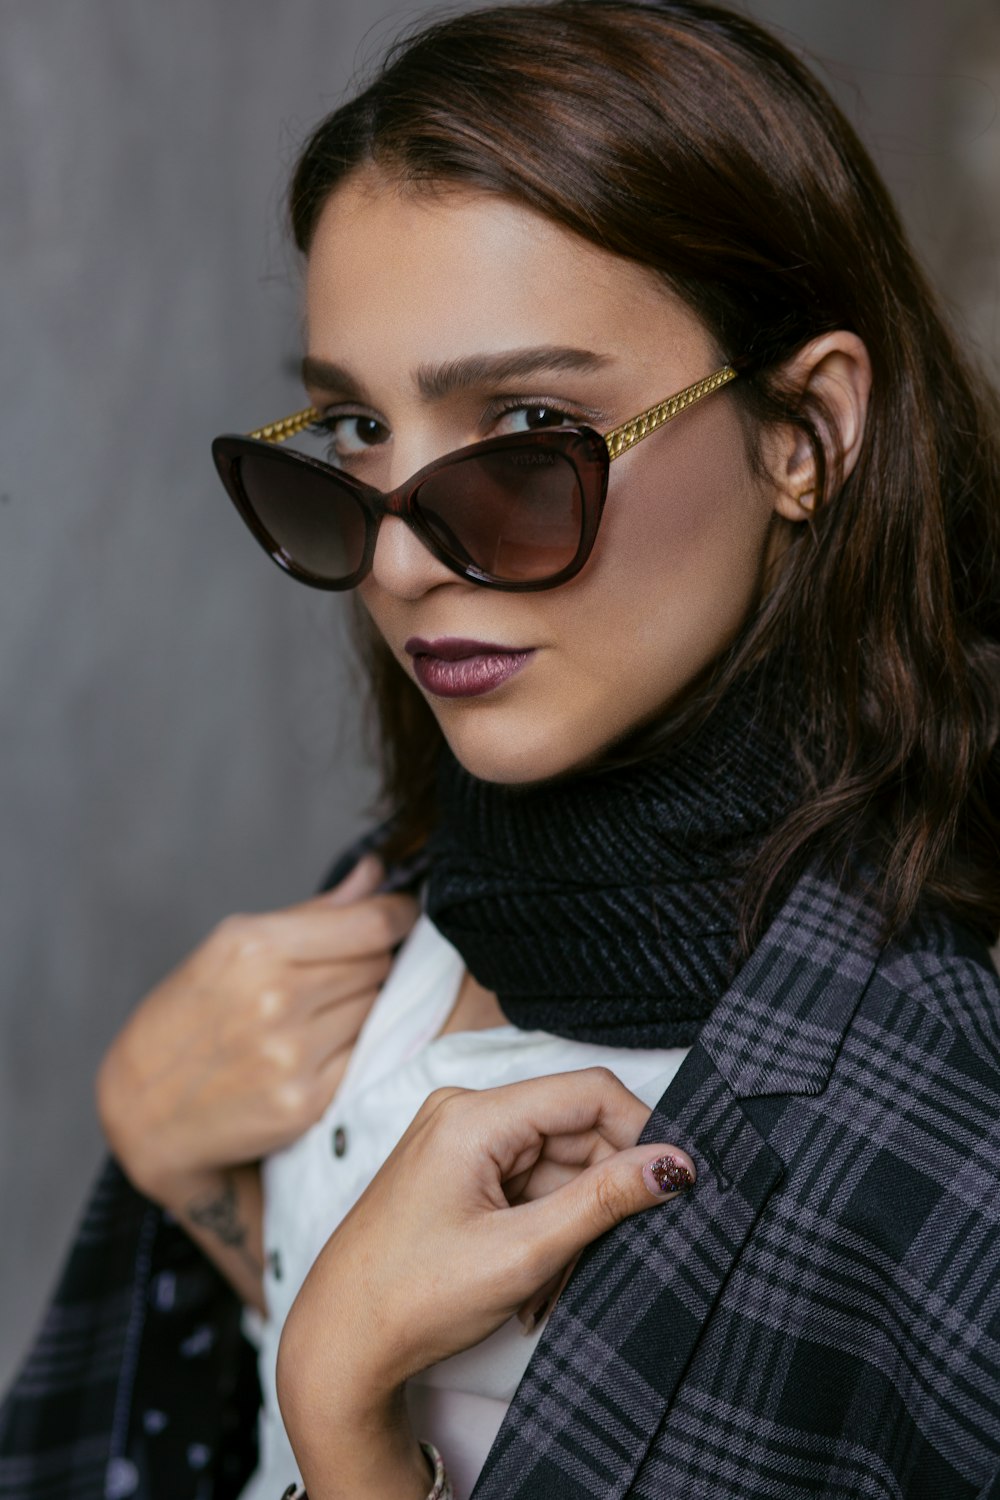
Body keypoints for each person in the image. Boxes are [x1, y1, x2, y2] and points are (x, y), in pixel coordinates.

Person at [2, 2, 999, 1497]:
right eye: (352, 432)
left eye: (529, 425)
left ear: (806, 434)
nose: (402, 567)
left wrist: (350, 1409)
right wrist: (189, 1184)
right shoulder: (400, 900)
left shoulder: (941, 1120)